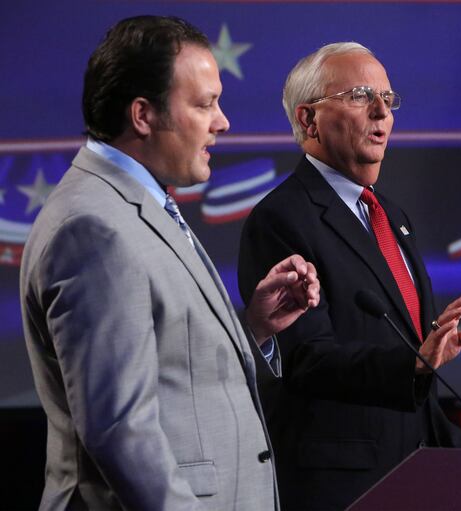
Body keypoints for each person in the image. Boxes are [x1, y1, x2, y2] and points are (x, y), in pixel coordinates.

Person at [20, 16, 320, 511]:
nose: (222, 122)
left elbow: (170, 373)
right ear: (143, 114)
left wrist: (254, 329)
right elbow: (121, 430)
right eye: (205, 104)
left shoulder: (135, 202)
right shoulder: (92, 228)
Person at [237, 42, 461, 511]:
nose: (382, 113)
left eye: (388, 100)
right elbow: (305, 358)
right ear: (309, 120)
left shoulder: (390, 215)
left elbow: (411, 364)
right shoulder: (281, 219)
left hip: (416, 471)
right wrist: (411, 365)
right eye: (359, 96)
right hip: (342, 487)